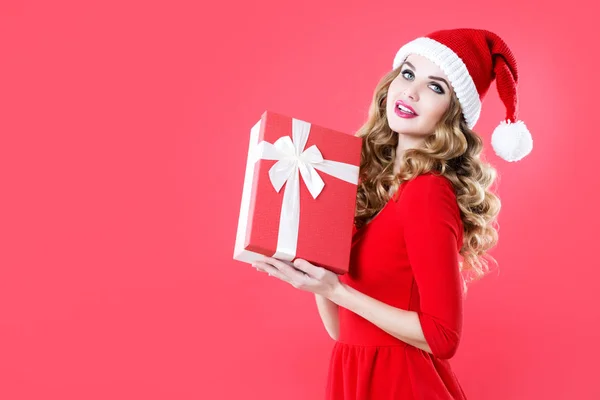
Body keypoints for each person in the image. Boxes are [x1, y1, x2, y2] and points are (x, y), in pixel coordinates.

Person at [251, 28, 533, 399]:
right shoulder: (373, 185)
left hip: (401, 383)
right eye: (408, 73)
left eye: (436, 88)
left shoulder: (428, 191)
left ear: (453, 115)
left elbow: (443, 337)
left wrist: (333, 288)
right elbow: (342, 330)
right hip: (354, 372)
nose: (411, 92)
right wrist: (312, 275)